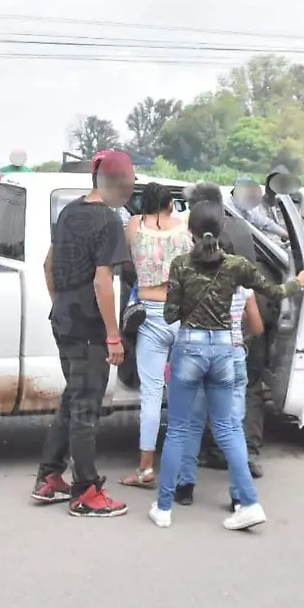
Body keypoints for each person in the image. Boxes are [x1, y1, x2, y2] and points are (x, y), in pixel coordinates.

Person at [148, 197, 304, 530]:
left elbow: (170, 314)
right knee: (229, 429)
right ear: (222, 227)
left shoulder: (181, 265)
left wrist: (184, 307)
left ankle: (165, 507)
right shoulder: (236, 265)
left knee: (180, 430)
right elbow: (273, 291)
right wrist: (301, 280)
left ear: (191, 230)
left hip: (190, 350)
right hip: (226, 352)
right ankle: (249, 503)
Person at [31, 149, 135, 518]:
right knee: (86, 408)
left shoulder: (70, 211)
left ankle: (50, 477)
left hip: (63, 321)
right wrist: (112, 334)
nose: (134, 184)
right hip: (90, 328)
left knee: (73, 399)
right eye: (132, 178)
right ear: (120, 181)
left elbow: (49, 263)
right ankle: (85, 492)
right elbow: (102, 279)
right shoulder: (108, 220)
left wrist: (61, 302)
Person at [182, 183, 269, 478]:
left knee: (203, 397)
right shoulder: (243, 227)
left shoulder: (195, 235)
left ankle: (193, 472)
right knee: (246, 390)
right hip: (241, 322)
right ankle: (246, 452)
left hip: (208, 328)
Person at [119, 182, 192, 489]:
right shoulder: (183, 228)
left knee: (150, 394)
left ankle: (146, 468)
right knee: (183, 394)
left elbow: (125, 259)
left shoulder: (135, 225)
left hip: (150, 314)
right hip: (182, 313)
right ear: (170, 204)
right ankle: (183, 468)